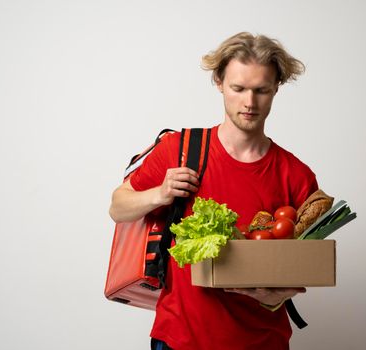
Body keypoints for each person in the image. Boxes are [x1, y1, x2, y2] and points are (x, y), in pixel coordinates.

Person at [109, 32, 319, 350]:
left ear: (277, 87)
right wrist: (160, 193)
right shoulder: (180, 149)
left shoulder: (296, 175)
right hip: (180, 339)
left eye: (261, 90)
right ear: (219, 82)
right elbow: (117, 207)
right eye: (238, 89)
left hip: (262, 342)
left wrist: (277, 296)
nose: (250, 102)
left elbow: (300, 265)